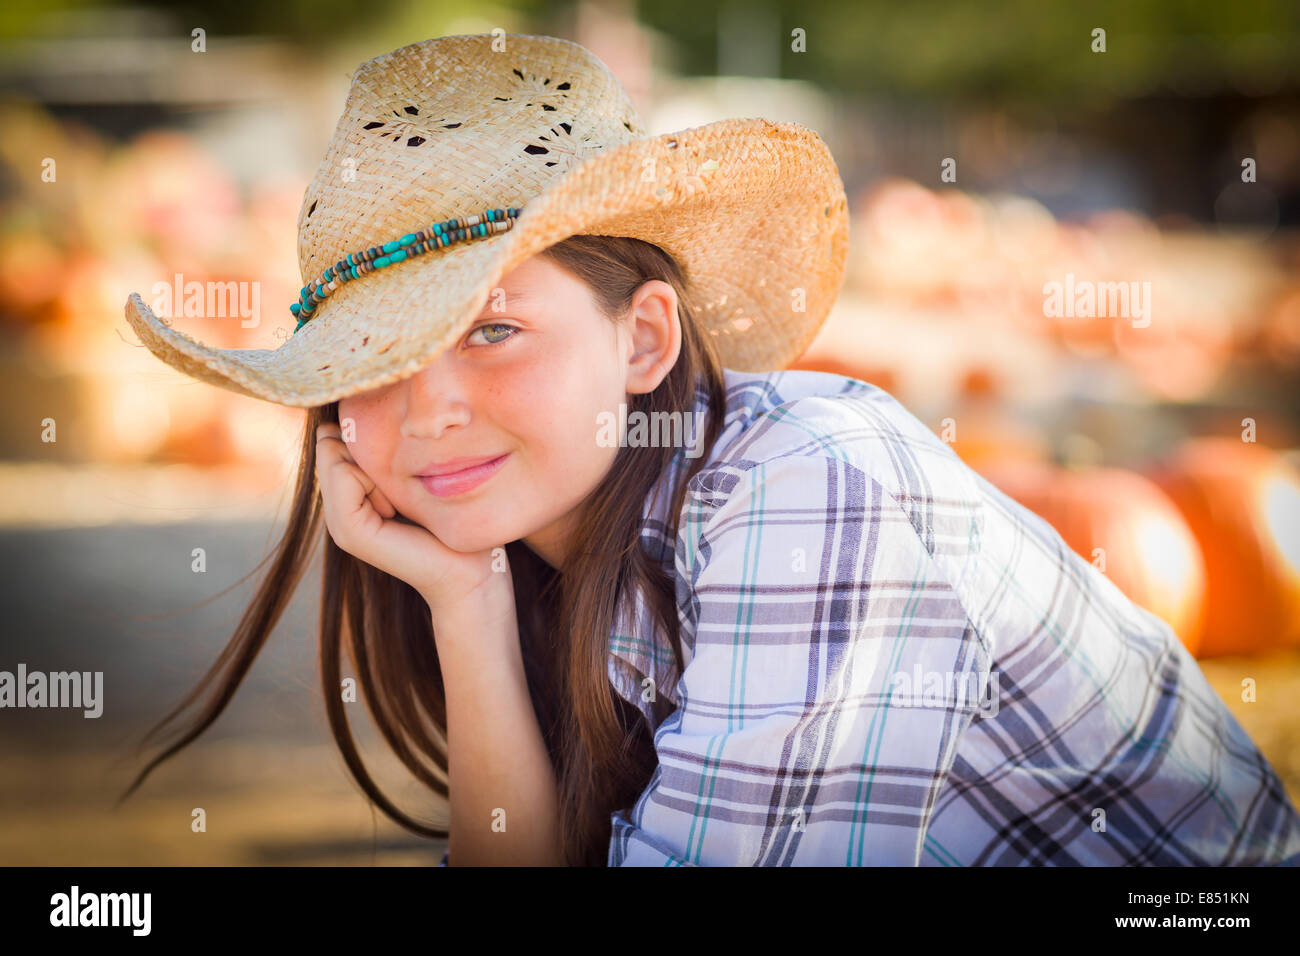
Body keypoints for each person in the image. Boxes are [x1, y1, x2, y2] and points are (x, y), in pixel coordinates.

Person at [120, 33, 1300, 867]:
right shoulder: (531, 557)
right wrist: (465, 601)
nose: (424, 409)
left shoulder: (808, 489)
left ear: (642, 340)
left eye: (491, 328)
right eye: (372, 363)